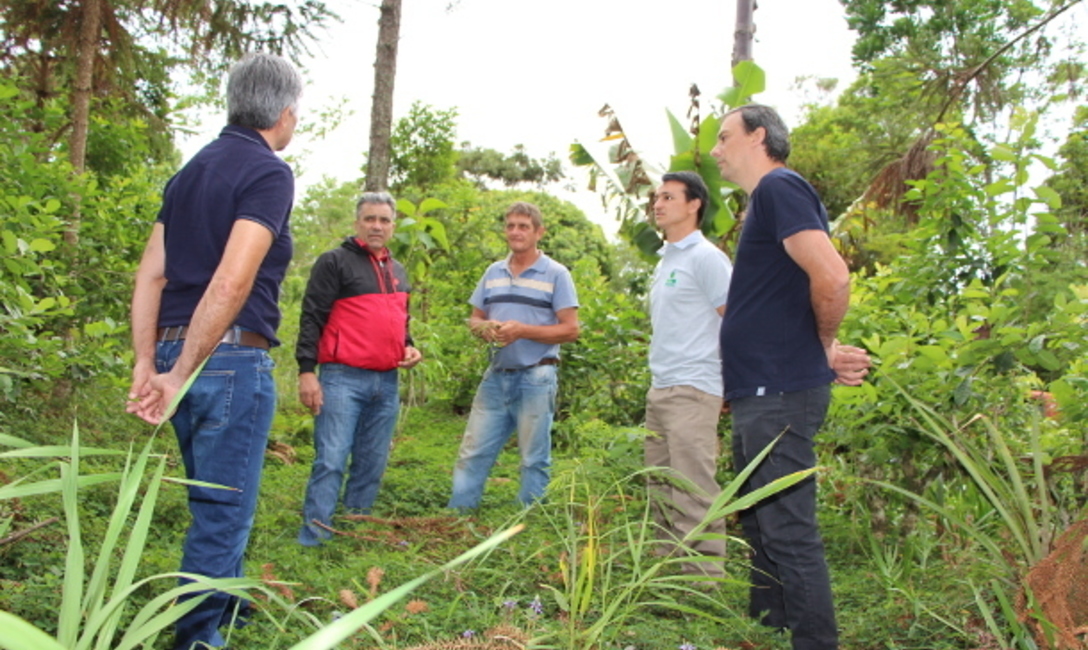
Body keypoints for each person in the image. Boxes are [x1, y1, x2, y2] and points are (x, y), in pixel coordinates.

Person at [126, 53, 302, 650]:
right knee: (221, 513)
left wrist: (149, 362)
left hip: (176, 352)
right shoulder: (268, 171)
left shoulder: (189, 173)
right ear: (283, 112)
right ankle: (198, 639)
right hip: (224, 361)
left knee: (211, 499)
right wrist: (179, 372)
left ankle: (224, 608)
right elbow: (232, 280)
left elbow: (151, 276)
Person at [710, 104, 870, 650]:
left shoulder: (780, 187)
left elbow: (833, 276)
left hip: (778, 391)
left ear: (758, 136)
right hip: (760, 390)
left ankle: (815, 642)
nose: (716, 150)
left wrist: (823, 346)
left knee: (787, 528)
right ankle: (767, 628)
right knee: (759, 519)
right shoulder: (766, 201)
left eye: (724, 137)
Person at [295, 192, 422, 546]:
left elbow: (399, 322)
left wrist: (409, 345)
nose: (376, 226)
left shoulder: (397, 270)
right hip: (342, 379)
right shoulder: (334, 262)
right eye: (370, 219)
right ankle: (314, 538)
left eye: (384, 220)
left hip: (387, 381)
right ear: (357, 223)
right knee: (331, 459)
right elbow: (312, 316)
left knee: (372, 462)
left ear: (393, 226)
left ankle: (353, 532)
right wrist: (306, 371)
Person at [447, 202, 580, 509]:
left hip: (537, 375)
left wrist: (523, 331)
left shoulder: (556, 274)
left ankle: (528, 523)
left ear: (539, 232)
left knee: (533, 458)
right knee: (472, 452)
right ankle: (457, 518)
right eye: (510, 226)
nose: (516, 232)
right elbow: (475, 318)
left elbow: (571, 329)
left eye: (523, 226)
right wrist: (485, 329)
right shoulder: (493, 272)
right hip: (496, 375)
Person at [644, 171, 732, 578]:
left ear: (694, 204)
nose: (658, 204)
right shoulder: (667, 261)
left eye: (669, 197)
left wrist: (730, 382)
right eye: (657, 197)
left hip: (694, 388)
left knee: (692, 487)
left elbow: (734, 320)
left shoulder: (706, 258)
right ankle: (665, 576)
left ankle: (702, 582)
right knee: (660, 487)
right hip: (661, 389)